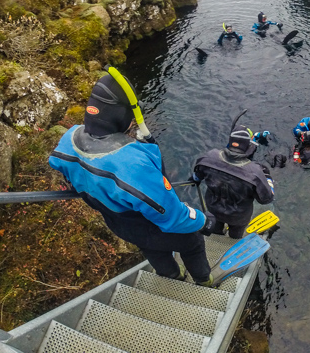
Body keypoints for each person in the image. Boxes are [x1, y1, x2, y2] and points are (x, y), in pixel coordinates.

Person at [49, 70, 217, 286]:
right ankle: (204, 281)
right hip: (149, 225)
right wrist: (203, 221)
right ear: (121, 116)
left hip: (120, 225)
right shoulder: (131, 165)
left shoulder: (69, 140)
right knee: (192, 242)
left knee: (150, 246)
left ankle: (172, 276)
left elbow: (63, 167)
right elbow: (170, 214)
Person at [191, 125, 275, 238]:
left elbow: (196, 177)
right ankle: (233, 241)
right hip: (238, 217)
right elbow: (267, 199)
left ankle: (217, 236)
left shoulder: (209, 157)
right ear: (248, 146)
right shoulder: (255, 172)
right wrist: (267, 178)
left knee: (215, 230)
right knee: (236, 235)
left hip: (213, 209)